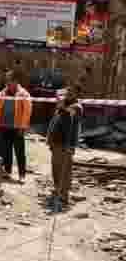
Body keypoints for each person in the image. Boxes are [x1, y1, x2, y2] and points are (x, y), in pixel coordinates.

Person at [0, 69, 32, 183]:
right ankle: (7, 171)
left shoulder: (24, 94)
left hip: (17, 127)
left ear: (15, 81)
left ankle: (22, 174)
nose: (7, 82)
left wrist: (23, 127)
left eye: (9, 80)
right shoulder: (2, 93)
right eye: (6, 80)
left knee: (20, 151)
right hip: (4, 126)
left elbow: (27, 111)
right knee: (6, 150)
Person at [47, 84, 81, 212]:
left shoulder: (77, 107)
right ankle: (58, 191)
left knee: (65, 171)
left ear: (76, 94)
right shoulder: (63, 105)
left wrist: (61, 105)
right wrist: (49, 140)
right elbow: (54, 121)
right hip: (56, 142)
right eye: (67, 92)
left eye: (71, 92)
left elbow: (70, 112)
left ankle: (64, 196)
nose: (68, 94)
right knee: (56, 168)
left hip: (66, 144)